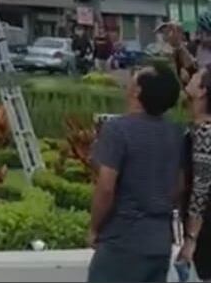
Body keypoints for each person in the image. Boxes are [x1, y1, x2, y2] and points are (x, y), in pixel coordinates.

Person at [87, 63, 184, 283]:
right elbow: (178, 186)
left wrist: (94, 228)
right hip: (160, 240)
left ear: (138, 90)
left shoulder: (118, 129)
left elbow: (106, 187)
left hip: (123, 240)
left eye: (137, 74)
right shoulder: (175, 132)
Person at [178, 66, 211, 281]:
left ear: (203, 91)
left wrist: (191, 239)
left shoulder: (205, 132)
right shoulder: (195, 128)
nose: (189, 79)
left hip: (206, 230)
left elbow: (201, 186)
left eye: (195, 77)